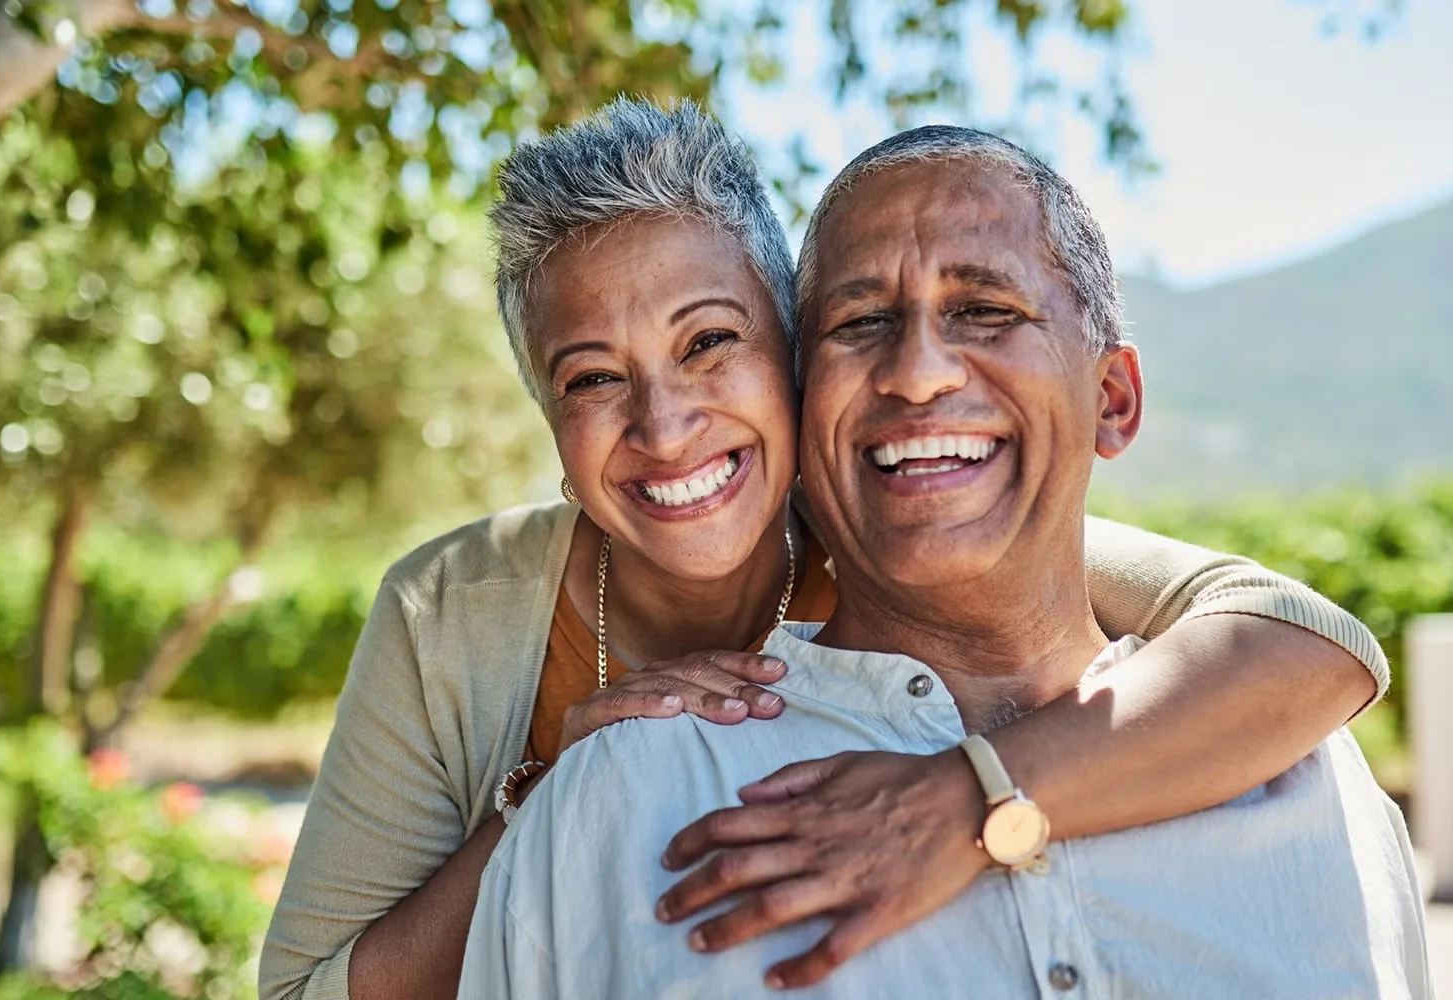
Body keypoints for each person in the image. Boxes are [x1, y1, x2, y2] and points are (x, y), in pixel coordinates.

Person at [261, 101, 1395, 1000]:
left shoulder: (924, 512)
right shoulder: (465, 624)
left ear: (791, 373)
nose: (664, 426)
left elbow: (1301, 640)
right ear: (555, 438)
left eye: (710, 342)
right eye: (592, 378)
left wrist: (971, 799)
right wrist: (545, 797)